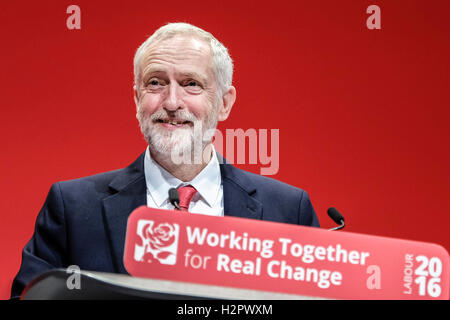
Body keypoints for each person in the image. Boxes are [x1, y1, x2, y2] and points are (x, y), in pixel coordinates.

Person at [11, 22, 319, 299]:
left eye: (191, 84)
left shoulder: (289, 212)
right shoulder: (73, 208)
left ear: (224, 103)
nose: (171, 102)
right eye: (156, 83)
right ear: (137, 100)